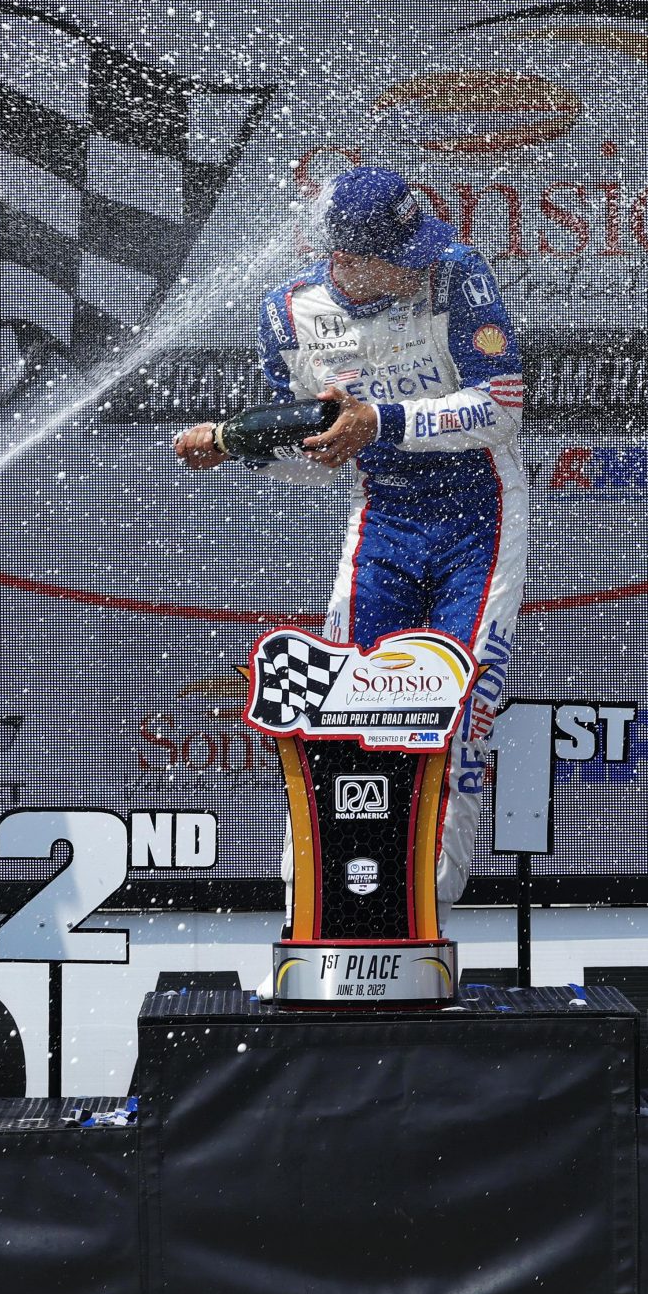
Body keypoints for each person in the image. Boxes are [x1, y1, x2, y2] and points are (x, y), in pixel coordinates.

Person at [172, 164, 525, 910]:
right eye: (403, 254)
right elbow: (317, 466)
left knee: (462, 710)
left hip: (482, 517)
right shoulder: (288, 314)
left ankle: (425, 904)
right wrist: (241, 450)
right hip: (384, 520)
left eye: (421, 243)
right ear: (346, 260)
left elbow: (501, 407)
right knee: (341, 706)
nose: (423, 260)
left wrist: (382, 421)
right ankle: (317, 898)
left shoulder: (456, 273)